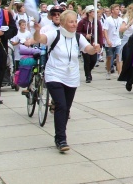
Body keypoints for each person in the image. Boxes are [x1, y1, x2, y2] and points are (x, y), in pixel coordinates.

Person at [33, 9, 100, 152]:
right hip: (54, 75)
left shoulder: (78, 37)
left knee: (66, 109)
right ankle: (61, 139)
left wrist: (95, 49)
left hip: (72, 76)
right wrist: (37, 31)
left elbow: (88, 49)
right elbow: (40, 39)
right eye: (71, 22)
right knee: (61, 106)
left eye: (75, 21)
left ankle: (60, 135)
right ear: (63, 23)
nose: (74, 24)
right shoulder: (55, 34)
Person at [77, 5, 103, 83]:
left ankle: (89, 71)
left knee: (94, 60)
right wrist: (85, 35)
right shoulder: (82, 22)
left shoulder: (97, 22)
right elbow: (78, 32)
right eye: (94, 12)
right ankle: (87, 75)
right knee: (87, 60)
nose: (96, 13)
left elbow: (100, 34)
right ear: (90, 13)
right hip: (85, 44)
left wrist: (101, 45)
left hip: (94, 43)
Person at [103, 4, 123, 80]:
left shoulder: (120, 20)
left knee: (118, 57)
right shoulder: (108, 20)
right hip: (110, 41)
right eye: (117, 9)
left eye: (118, 9)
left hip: (118, 41)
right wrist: (107, 40)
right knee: (109, 58)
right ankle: (108, 71)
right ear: (112, 10)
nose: (118, 10)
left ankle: (119, 73)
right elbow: (105, 30)